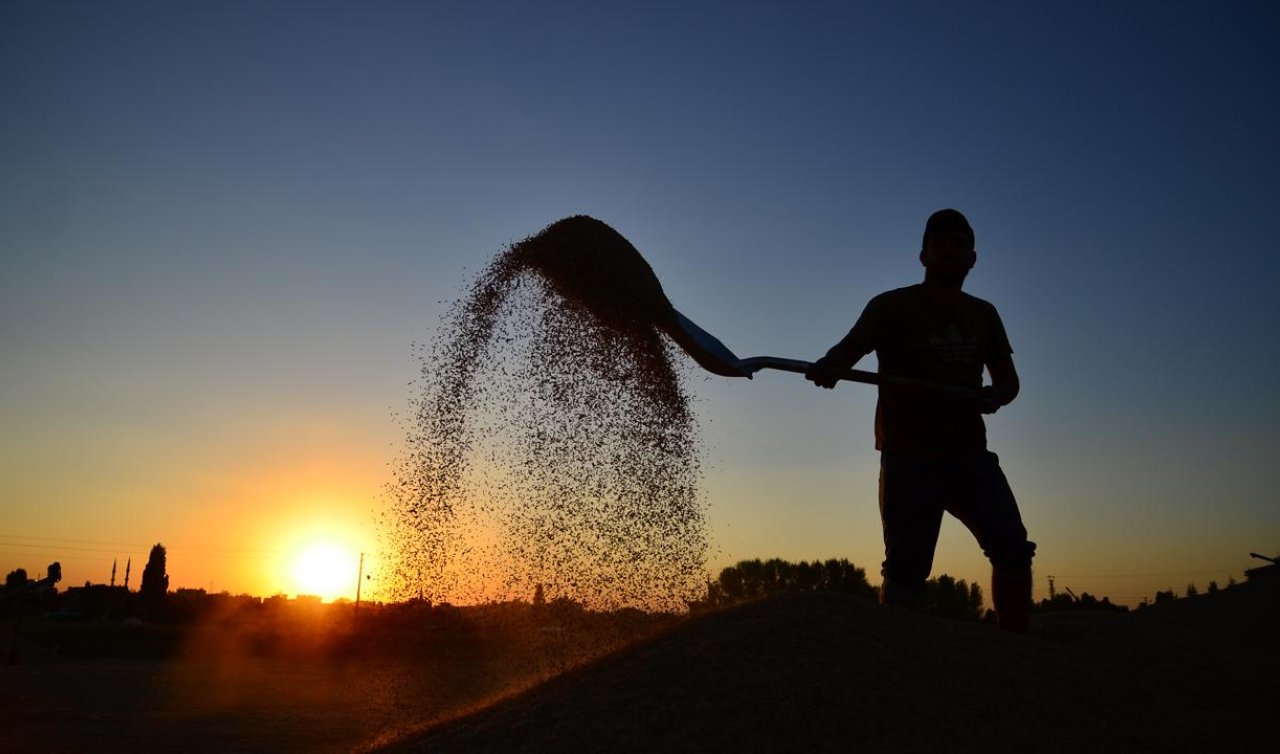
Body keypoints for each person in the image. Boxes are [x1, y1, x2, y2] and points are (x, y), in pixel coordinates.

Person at [805, 209, 1035, 632]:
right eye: (940, 244)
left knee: (1012, 548)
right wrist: (830, 367)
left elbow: (1008, 380)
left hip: (969, 455)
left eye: (958, 245)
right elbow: (850, 348)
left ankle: (1015, 644)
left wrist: (996, 395)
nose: (950, 251)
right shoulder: (891, 307)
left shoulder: (984, 314)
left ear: (972, 258)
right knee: (906, 572)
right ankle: (897, 658)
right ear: (923, 256)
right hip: (908, 456)